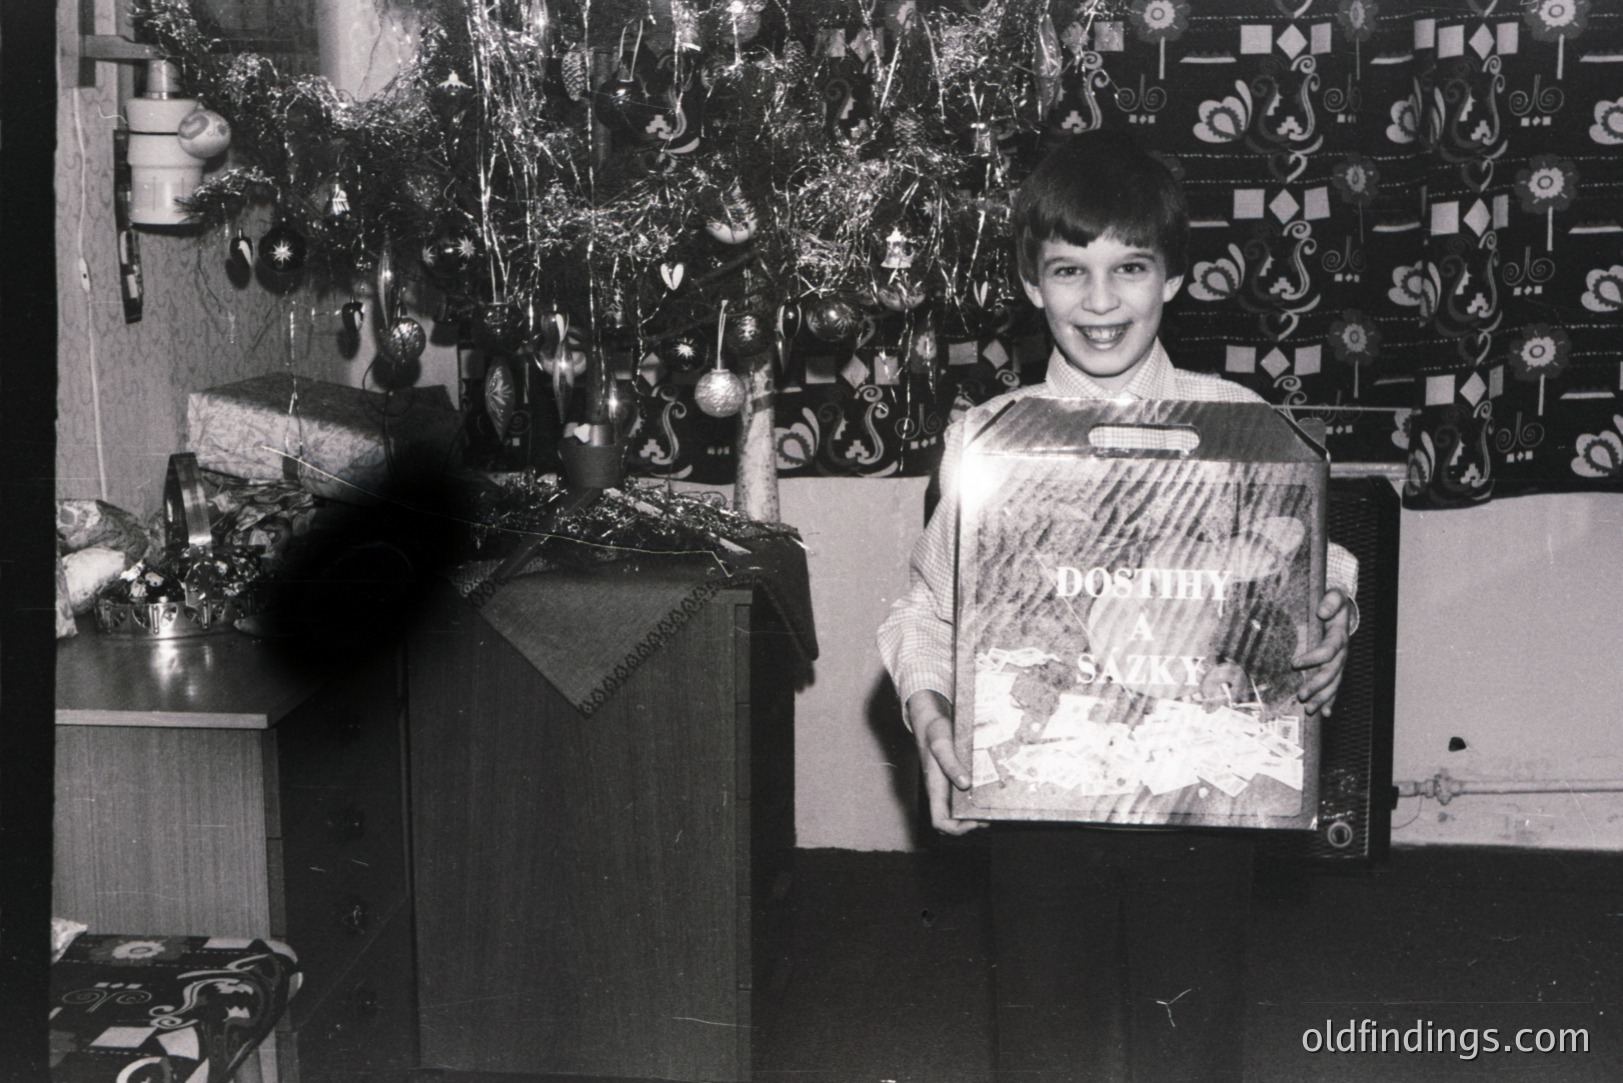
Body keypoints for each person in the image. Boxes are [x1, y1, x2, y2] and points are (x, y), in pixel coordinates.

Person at [877, 129, 1357, 1082]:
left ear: (1171, 276)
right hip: (1042, 795)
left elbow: (1319, 561)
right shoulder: (989, 438)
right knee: (1041, 1041)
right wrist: (930, 718)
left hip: (1196, 797)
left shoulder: (1240, 422)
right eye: (1069, 270)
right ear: (1030, 281)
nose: (1099, 304)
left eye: (1128, 268)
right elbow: (929, 608)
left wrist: (1330, 622)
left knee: (1192, 1037)